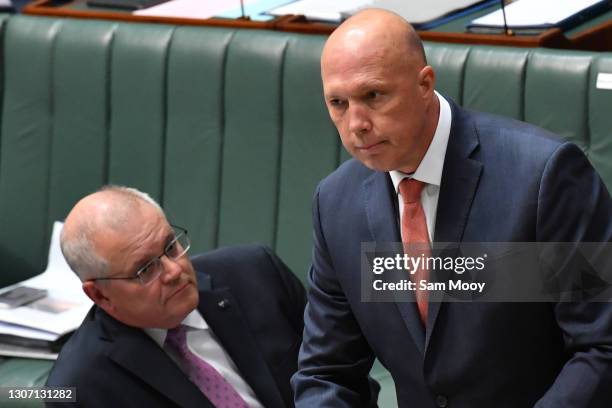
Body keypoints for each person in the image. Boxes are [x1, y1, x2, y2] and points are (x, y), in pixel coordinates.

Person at [292, 8, 612, 408]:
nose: (355, 123)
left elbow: (602, 346)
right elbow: (326, 372)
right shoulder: (336, 204)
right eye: (338, 103)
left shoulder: (543, 176)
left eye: (373, 95)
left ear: (425, 84)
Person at [46, 185, 306, 408]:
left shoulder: (256, 273)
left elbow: (336, 368)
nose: (174, 270)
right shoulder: (81, 388)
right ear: (100, 295)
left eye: (171, 246)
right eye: (145, 269)